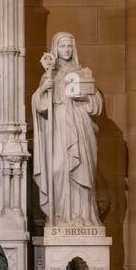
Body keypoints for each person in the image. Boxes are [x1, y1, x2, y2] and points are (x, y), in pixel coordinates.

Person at [31, 32, 104, 226]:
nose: (67, 50)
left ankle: (83, 216)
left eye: (70, 46)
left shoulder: (83, 73)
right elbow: (40, 106)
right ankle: (61, 217)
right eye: (63, 46)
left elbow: (97, 104)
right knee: (58, 169)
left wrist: (85, 97)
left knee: (82, 170)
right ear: (55, 48)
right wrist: (43, 89)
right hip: (59, 127)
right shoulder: (50, 74)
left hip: (81, 125)